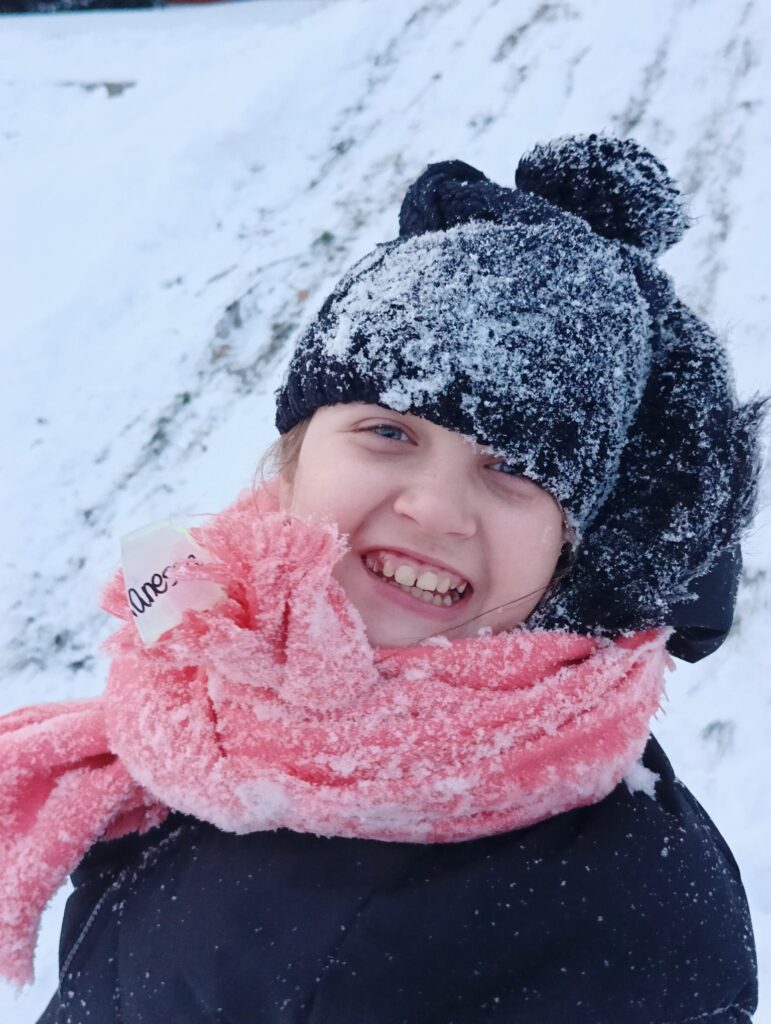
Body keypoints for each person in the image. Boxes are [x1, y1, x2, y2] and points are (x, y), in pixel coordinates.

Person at [0, 134, 762, 1023]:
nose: (435, 509)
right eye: (390, 433)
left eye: (516, 470)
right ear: (294, 459)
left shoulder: (620, 920)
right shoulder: (200, 651)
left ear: (570, 546)